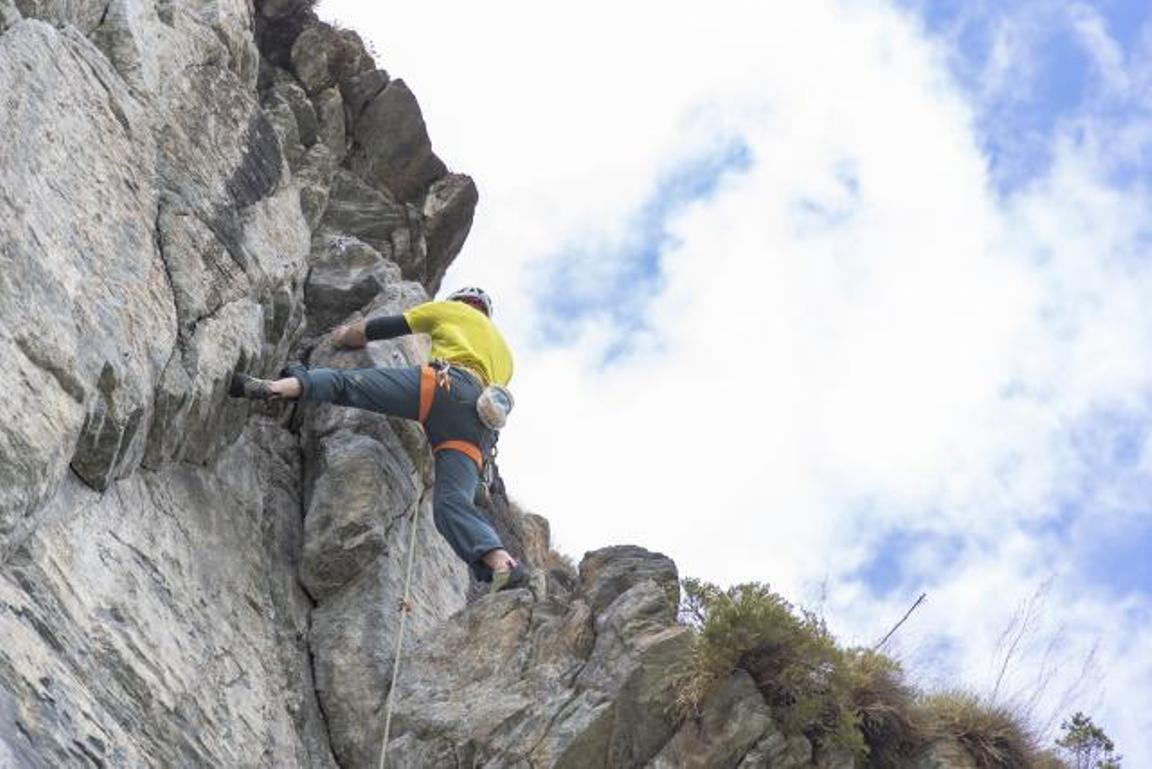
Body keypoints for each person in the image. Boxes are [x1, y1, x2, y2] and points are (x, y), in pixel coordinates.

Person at [229, 286, 526, 593]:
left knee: (345, 384)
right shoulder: (506, 356)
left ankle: (276, 387)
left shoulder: (453, 311)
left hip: (442, 385)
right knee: (452, 503)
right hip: (479, 424)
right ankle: (502, 564)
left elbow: (384, 327)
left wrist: (346, 335)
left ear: (462, 302)